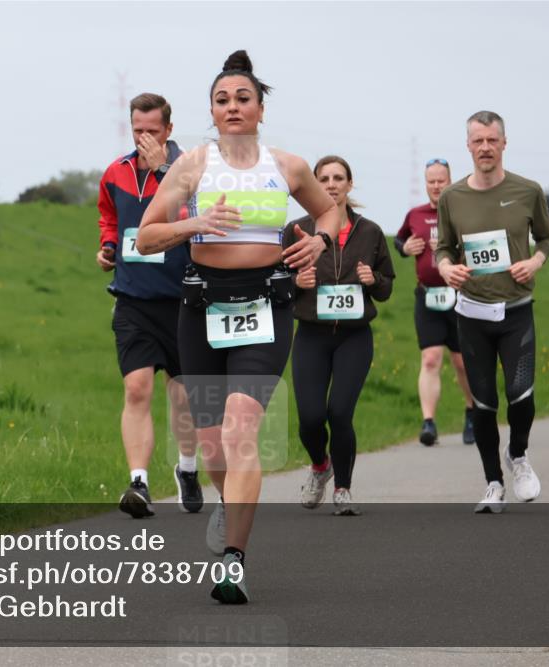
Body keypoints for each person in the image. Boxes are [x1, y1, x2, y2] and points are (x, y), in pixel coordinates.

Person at [137, 50, 339, 603]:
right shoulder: (194, 166)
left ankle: (234, 562)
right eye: (222, 99)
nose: (233, 106)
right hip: (201, 311)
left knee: (239, 431)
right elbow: (147, 237)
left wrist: (319, 242)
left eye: (242, 98)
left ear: (260, 108)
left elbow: (329, 213)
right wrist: (195, 223)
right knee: (212, 449)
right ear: (212, 109)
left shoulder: (288, 166)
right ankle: (231, 507)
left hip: (266, 309)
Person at [436, 111, 549, 514]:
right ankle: (493, 483)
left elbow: (547, 237)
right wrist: (446, 269)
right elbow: (443, 249)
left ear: (504, 143)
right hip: (472, 314)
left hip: (516, 310)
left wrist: (535, 262)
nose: (485, 148)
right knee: (483, 403)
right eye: (478, 141)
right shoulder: (452, 197)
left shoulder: (528, 190)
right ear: (468, 146)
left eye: (492, 140)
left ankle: (517, 454)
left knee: (521, 396)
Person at [96, 92, 203, 518]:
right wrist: (107, 247)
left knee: (182, 398)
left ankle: (189, 468)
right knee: (136, 388)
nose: (144, 138)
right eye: (137, 130)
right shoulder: (115, 173)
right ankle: (138, 482)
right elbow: (109, 216)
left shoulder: (188, 170)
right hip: (133, 299)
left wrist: (163, 167)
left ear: (169, 131)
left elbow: (202, 207)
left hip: (181, 300)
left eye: (152, 131)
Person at [286, 156, 394, 515]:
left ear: (350, 184)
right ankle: (320, 467)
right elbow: (276, 283)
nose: (331, 185)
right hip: (311, 336)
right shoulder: (297, 229)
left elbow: (385, 288)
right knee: (311, 418)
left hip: (353, 337)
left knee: (340, 412)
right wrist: (295, 283)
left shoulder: (371, 232)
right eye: (324, 179)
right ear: (314, 185)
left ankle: (343, 489)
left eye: (338, 178)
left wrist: (372, 280)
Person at [395, 158, 475, 446]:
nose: (436, 185)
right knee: (430, 359)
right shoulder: (415, 214)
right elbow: (400, 241)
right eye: (431, 181)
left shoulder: (463, 212)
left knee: (462, 362)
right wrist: (405, 248)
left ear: (450, 181)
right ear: (425, 183)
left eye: (441, 180)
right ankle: (428, 422)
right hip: (427, 295)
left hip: (460, 295)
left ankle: (471, 412)